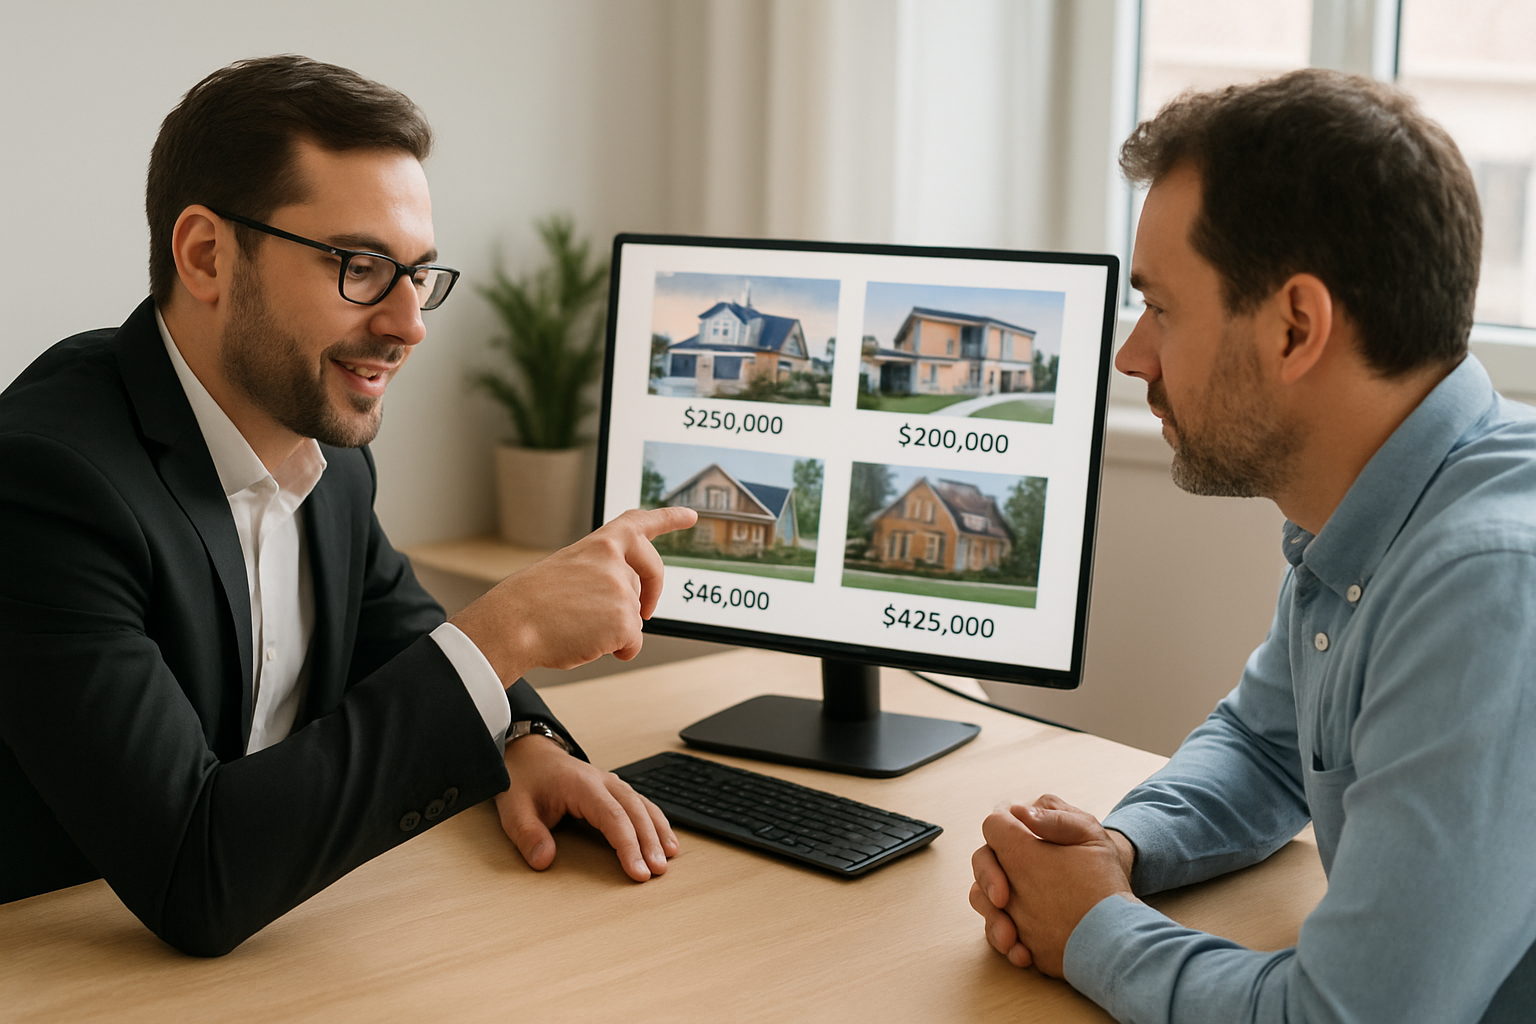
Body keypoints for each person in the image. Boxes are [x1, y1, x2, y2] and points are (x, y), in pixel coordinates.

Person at [0, 55, 697, 956]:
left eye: (419, 273)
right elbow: (192, 872)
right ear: (207, 255)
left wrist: (527, 743)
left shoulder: (320, 445)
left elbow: (394, 630)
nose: (409, 322)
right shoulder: (46, 484)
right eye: (361, 266)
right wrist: (507, 629)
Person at [969, 69, 1536, 1023]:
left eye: (1162, 307)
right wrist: (1125, 849)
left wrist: (1093, 928)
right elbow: (1269, 748)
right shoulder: (1370, 510)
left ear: (1296, 327)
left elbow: (1347, 1017)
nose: (1131, 356)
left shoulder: (1487, 584)